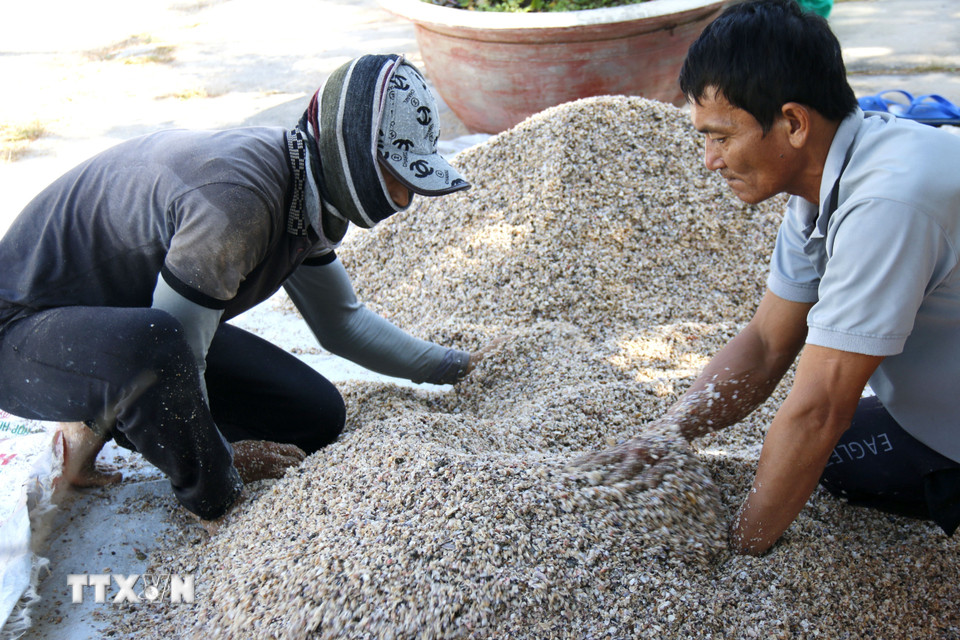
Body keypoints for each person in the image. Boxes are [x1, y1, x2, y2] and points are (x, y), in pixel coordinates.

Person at [0, 54, 489, 528]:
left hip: (124, 324)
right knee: (156, 350)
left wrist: (452, 367)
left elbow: (343, 323)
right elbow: (177, 351)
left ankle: (100, 417)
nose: (403, 199)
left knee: (317, 416)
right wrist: (221, 463)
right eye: (395, 176)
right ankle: (167, 469)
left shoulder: (304, 185)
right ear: (349, 150)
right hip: (24, 333)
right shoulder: (242, 201)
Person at [582, 0, 960, 555]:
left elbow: (818, 409)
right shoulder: (826, 181)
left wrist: (741, 557)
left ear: (793, 122)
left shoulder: (886, 203)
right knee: (825, 451)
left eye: (721, 136)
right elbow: (764, 345)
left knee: (826, 450)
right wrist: (666, 434)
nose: (710, 160)